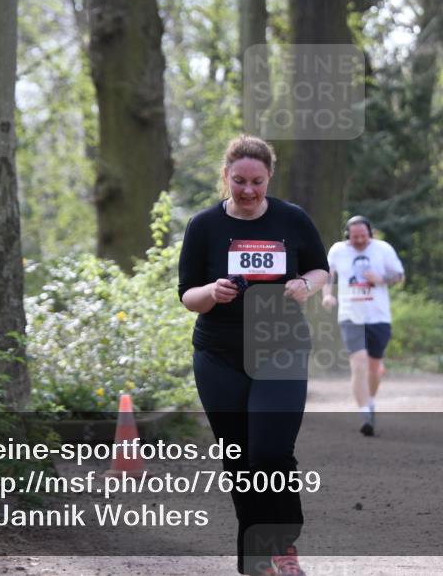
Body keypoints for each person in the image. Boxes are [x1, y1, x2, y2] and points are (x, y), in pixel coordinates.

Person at [178, 135, 329, 576]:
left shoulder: (293, 220)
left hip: (280, 348)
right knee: (239, 456)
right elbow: (188, 295)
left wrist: (307, 286)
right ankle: (257, 556)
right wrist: (212, 291)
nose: (247, 190)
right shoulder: (204, 226)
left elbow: (320, 268)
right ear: (226, 177)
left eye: (257, 182)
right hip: (219, 354)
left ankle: (283, 545)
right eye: (239, 180)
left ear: (269, 178)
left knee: (270, 452)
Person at [321, 216, 404, 436]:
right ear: (348, 235)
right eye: (355, 237)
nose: (359, 241)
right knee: (358, 363)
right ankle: (365, 412)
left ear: (370, 233)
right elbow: (328, 274)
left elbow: (399, 275)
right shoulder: (338, 250)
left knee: (375, 368)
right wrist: (328, 295)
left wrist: (381, 278)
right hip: (350, 315)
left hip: (378, 316)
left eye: (363, 236)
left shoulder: (383, 249)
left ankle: (371, 400)